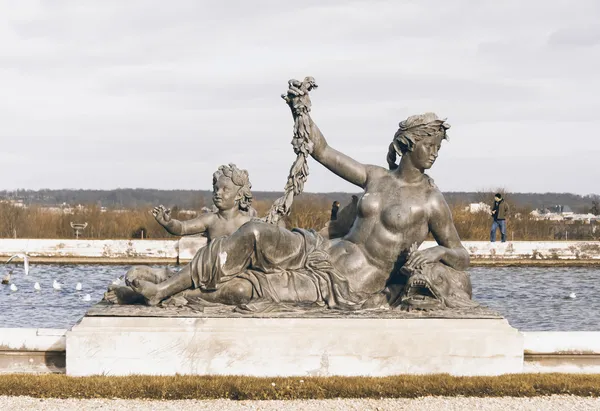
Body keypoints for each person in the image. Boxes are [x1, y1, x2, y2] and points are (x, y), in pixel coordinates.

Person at [127, 88, 470, 311]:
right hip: (318, 249)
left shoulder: (431, 201)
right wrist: (301, 110)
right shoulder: (376, 177)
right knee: (255, 232)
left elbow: (461, 254)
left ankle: (167, 289)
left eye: (438, 146)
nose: (435, 153)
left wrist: (437, 251)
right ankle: (166, 286)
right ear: (408, 144)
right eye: (429, 145)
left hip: (344, 284)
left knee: (250, 291)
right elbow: (322, 151)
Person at [153, 164, 257, 241]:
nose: (218, 193)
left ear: (239, 195)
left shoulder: (250, 223)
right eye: (216, 189)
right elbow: (182, 228)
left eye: (225, 189)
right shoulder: (210, 219)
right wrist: (168, 223)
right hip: (212, 269)